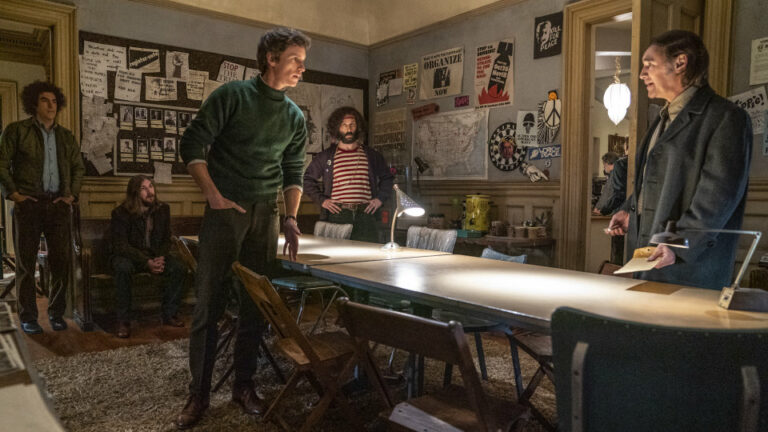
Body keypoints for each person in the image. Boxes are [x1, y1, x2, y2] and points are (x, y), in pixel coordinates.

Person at [176, 27, 310, 429]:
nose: (302, 68)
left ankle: (244, 385)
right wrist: (214, 197)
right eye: (295, 60)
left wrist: (290, 217)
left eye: (303, 62)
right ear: (271, 58)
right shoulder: (232, 96)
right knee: (209, 303)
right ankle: (199, 394)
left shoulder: (294, 116)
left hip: (266, 216)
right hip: (225, 212)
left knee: (256, 303)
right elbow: (191, 145)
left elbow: (293, 170)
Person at [607, 30, 752, 289]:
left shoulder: (726, 118)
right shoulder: (661, 119)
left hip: (688, 271)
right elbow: (654, 181)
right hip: (648, 261)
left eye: (649, 64)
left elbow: (716, 199)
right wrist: (630, 210)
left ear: (680, 63)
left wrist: (675, 246)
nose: (642, 74)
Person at [0, 81, 85, 334]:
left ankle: (56, 314)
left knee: (61, 262)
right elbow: (1, 163)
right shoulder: (17, 131)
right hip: (29, 205)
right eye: (45, 100)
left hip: (58, 206)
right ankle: (28, 317)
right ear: (34, 104)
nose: (51, 106)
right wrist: (14, 194)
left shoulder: (66, 136)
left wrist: (71, 195)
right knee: (26, 264)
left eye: (54, 101)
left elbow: (78, 167)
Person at [110, 175, 185, 338]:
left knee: (178, 267)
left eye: (151, 187)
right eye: (143, 189)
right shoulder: (120, 213)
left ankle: (170, 313)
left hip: (154, 255)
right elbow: (121, 246)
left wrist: (160, 257)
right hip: (131, 256)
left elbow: (166, 239)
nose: (150, 192)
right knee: (122, 268)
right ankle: (123, 321)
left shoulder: (163, 209)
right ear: (134, 193)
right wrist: (146, 262)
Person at [303, 107, 393, 242]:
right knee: (337, 252)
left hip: (366, 213)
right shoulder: (325, 157)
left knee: (368, 251)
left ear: (358, 127)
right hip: (338, 214)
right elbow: (307, 180)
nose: (348, 129)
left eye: (352, 125)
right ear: (337, 128)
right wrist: (322, 200)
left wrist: (380, 199)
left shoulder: (371, 155)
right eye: (344, 125)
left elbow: (387, 178)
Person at [593, 151, 627, 216]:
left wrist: (600, 209)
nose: (604, 167)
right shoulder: (617, 174)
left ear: (607, 163)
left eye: (604, 164)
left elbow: (609, 194)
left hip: (610, 213)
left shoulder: (614, 175)